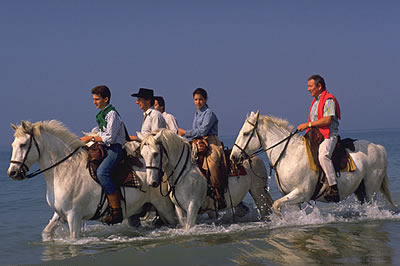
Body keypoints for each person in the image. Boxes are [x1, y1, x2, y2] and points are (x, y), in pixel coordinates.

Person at [80, 85, 126, 225]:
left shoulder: (112, 114)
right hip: (105, 148)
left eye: (97, 99)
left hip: (115, 149)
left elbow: (110, 138)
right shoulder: (101, 114)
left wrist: (91, 138)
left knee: (102, 173)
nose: (94, 102)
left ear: (106, 99)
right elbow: (101, 132)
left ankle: (116, 211)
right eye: (93, 99)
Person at [178, 88, 228, 209]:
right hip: (198, 141)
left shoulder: (209, 113)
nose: (198, 102)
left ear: (205, 99)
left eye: (200, 99)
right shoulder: (197, 114)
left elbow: (203, 131)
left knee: (213, 162)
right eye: (195, 99)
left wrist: (185, 133)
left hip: (211, 142)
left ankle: (219, 192)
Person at [297, 74, 341, 202]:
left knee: (323, 155)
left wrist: (308, 124)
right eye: (308, 86)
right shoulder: (316, 101)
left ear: (319, 86)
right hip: (317, 136)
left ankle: (333, 187)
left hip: (329, 135)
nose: (308, 89)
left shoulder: (328, 100)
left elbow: (327, 120)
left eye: (310, 86)